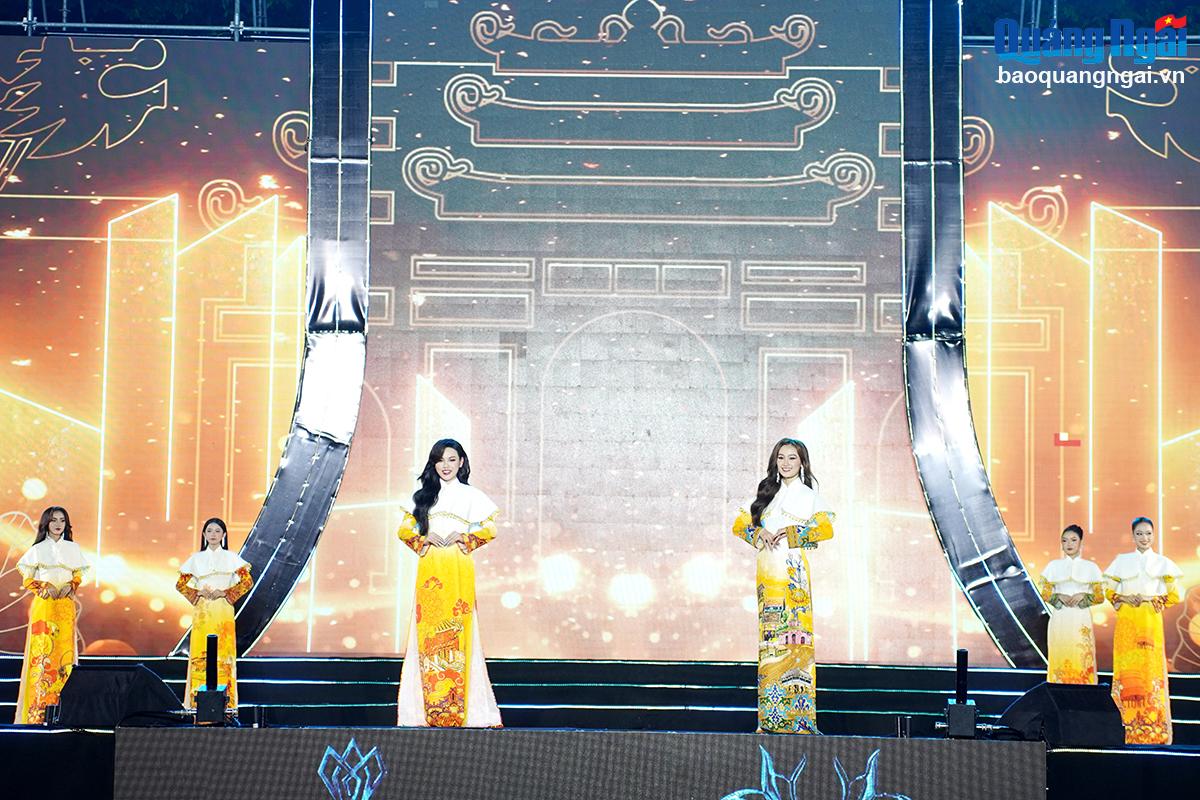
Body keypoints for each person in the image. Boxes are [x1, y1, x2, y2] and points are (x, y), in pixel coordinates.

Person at [395, 439, 502, 727]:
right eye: (440, 460)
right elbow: (403, 531)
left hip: (457, 568)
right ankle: (422, 712)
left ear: (461, 462)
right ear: (434, 463)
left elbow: (490, 528)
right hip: (431, 569)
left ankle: (467, 712)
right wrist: (423, 537)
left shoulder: (472, 495)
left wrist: (465, 537)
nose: (446, 465)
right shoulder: (422, 496)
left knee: (460, 633)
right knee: (428, 635)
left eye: (452, 459)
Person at [731, 438, 835, 734]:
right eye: (781, 458)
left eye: (792, 458)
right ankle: (770, 720)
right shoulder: (766, 494)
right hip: (767, 574)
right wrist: (759, 532)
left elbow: (826, 529)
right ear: (775, 462)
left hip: (793, 574)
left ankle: (800, 721)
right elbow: (739, 525)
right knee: (770, 645)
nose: (786, 463)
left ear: (802, 463)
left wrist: (793, 532)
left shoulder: (809, 495)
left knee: (796, 642)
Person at [1104, 516, 1183, 744]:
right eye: (1139, 534)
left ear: (1154, 535)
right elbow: (1108, 591)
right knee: (1127, 672)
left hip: (1149, 622)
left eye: (1148, 533)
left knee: (1150, 672)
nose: (1144, 538)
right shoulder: (1122, 561)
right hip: (1127, 621)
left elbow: (1175, 595)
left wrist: (1155, 599)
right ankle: (1125, 729)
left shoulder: (1162, 563)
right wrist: (1124, 597)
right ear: (1133, 536)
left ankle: (1153, 729)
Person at [15, 506, 90, 724]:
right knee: (42, 656)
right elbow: (27, 578)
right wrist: (43, 586)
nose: (58, 524)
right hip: (45, 605)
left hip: (65, 606)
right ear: (46, 523)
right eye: (54, 520)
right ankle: (37, 713)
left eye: (62, 520)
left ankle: (63, 712)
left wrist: (72, 584)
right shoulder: (38, 549)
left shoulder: (73, 548)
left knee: (65, 656)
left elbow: (78, 574)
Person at [176, 517, 253, 711]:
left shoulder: (232, 557)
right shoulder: (196, 559)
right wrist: (198, 592)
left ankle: (227, 705)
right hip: (203, 612)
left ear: (224, 535)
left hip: (223, 611)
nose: (213, 534)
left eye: (217, 531)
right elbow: (180, 585)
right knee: (200, 654)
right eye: (209, 531)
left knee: (223, 654)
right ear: (204, 534)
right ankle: (197, 705)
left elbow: (247, 582)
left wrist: (225, 593)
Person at [1037, 524, 1103, 684]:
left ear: (1081, 543)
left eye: (1073, 540)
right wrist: (1058, 596)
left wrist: (1083, 596)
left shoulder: (1091, 567)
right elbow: (1045, 594)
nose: (1069, 544)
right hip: (1060, 618)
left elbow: (1100, 597)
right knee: (1060, 654)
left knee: (1082, 655)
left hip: (1081, 618)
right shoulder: (1053, 566)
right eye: (1064, 540)